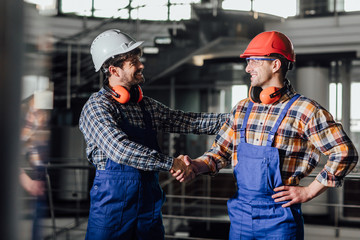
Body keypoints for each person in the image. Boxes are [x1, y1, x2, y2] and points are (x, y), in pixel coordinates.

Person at [173, 31, 359, 239]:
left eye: (253, 61)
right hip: (240, 215)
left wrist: (309, 191)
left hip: (280, 219)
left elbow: (344, 152)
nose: (247, 68)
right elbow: (219, 153)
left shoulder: (305, 110)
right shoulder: (243, 108)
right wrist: (195, 166)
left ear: (275, 65)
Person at [78, 29, 229, 240]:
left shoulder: (145, 106)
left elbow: (188, 121)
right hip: (112, 211)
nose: (141, 65)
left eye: (138, 59)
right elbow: (120, 150)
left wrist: (239, 118)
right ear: (114, 70)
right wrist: (171, 163)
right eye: (133, 62)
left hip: (148, 207)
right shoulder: (97, 108)